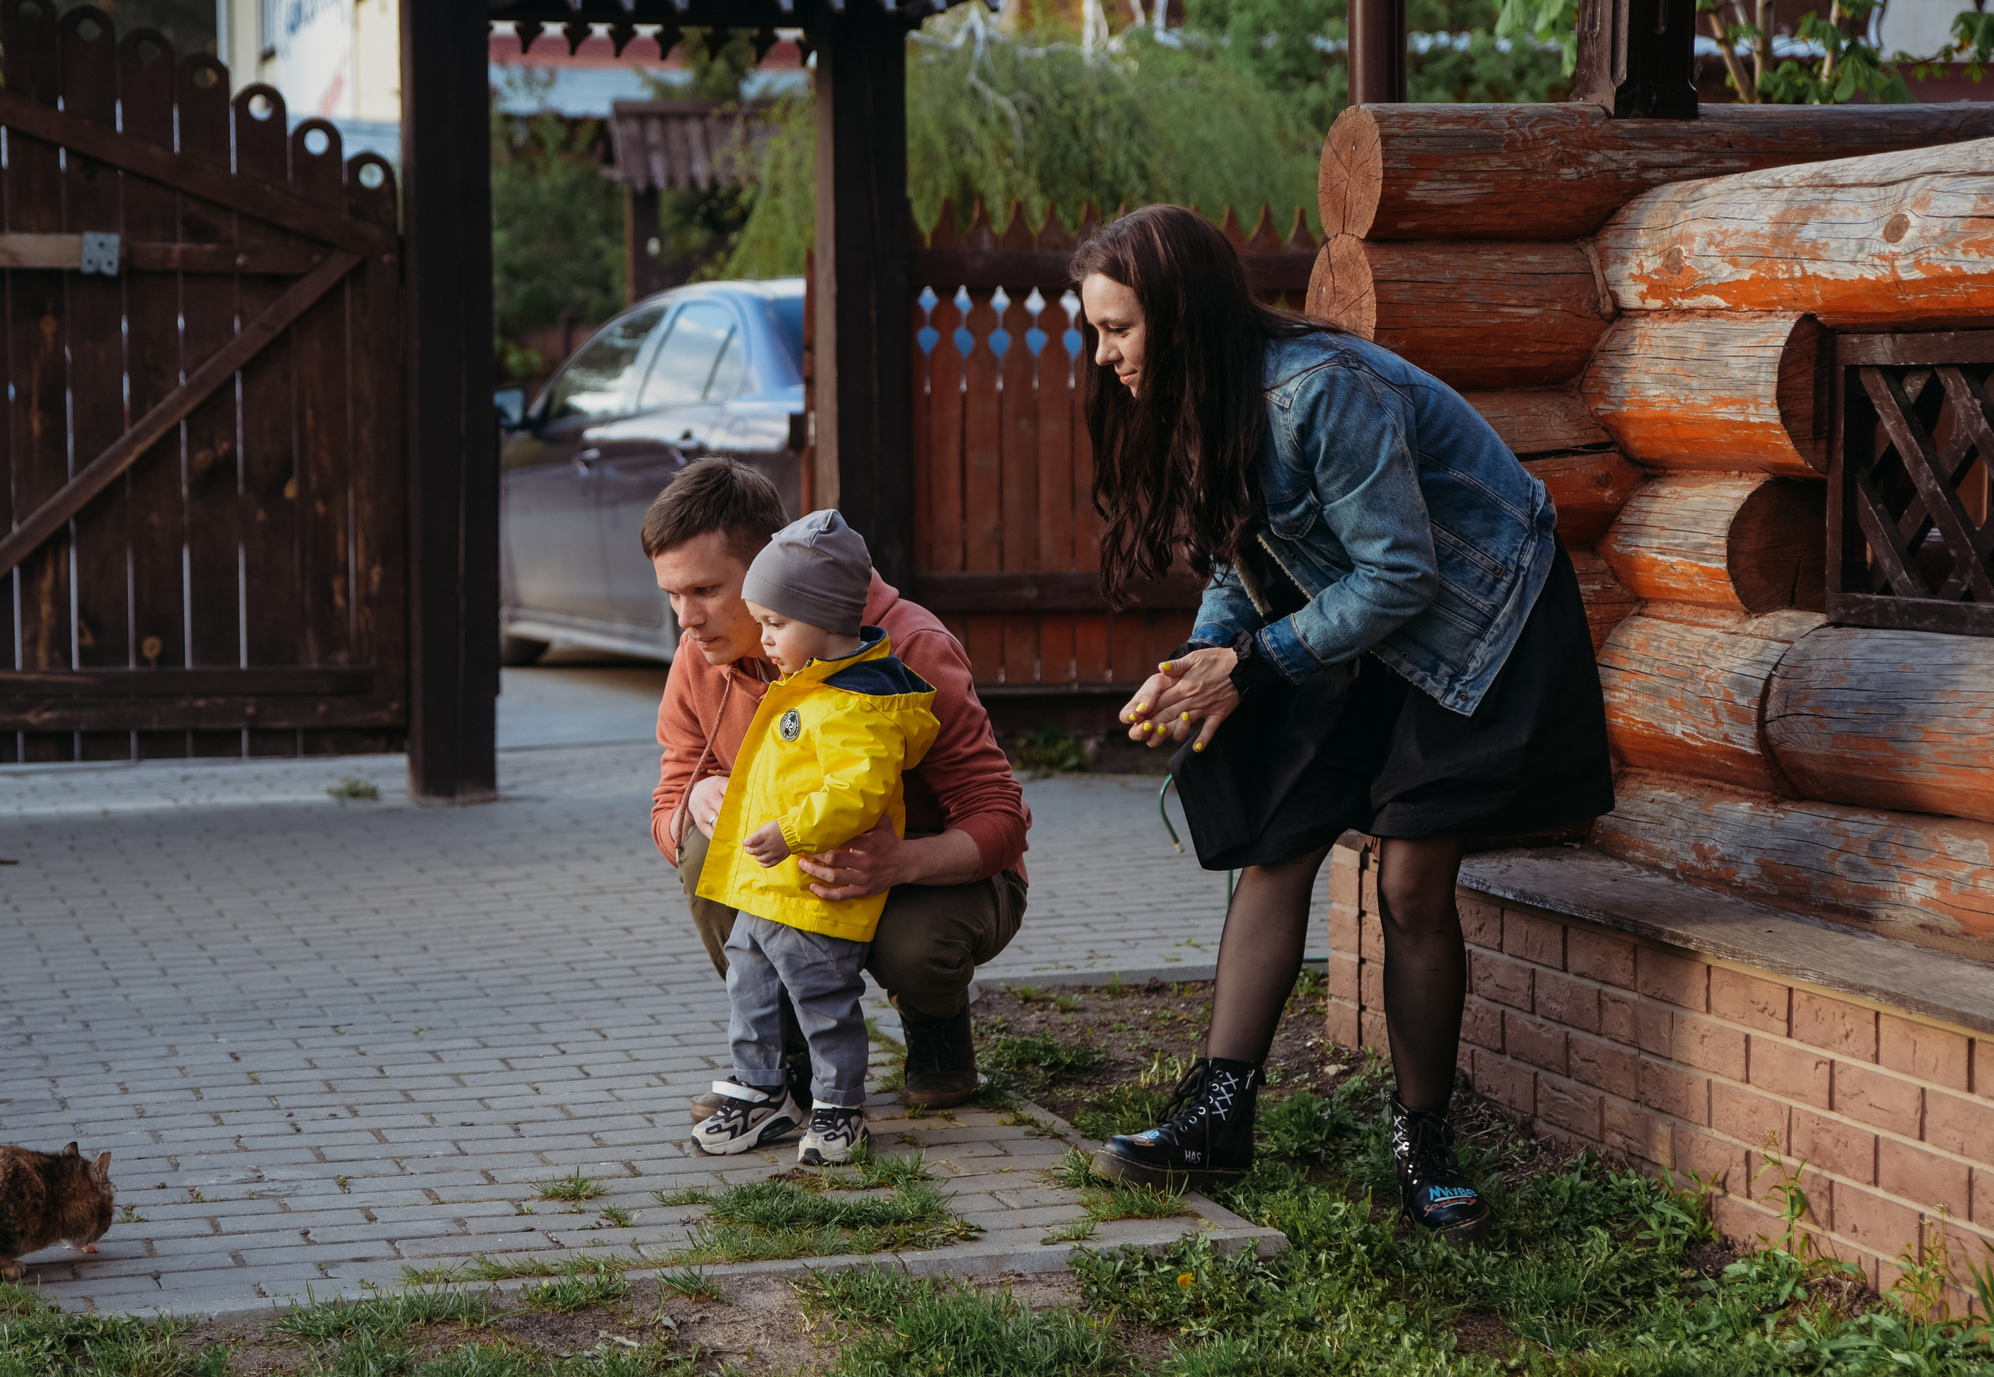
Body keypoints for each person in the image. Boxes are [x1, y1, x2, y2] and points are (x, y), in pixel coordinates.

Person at [1075, 206, 1613, 1246]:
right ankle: (1217, 1114)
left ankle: (1426, 1147)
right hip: (1352, 615)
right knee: (1279, 836)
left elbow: (1405, 574)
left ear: (1182, 317)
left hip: (1473, 620)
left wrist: (1253, 663)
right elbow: (1238, 558)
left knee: (1409, 879)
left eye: (1119, 329)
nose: (1104, 356)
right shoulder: (1198, 400)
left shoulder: (1320, 388)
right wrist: (1201, 662)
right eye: (1096, 330)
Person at [645, 457, 1031, 1114]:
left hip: (928, 876)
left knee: (914, 947)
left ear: (770, 569)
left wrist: (902, 861)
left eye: (705, 590)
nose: (687, 618)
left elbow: (1000, 816)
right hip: (794, 873)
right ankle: (782, 1054)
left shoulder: (909, 645)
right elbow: (666, 803)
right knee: (705, 851)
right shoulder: (700, 655)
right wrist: (692, 803)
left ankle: (937, 1024)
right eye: (672, 595)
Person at [690, 511, 942, 1164]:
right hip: (768, 890)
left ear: (825, 620)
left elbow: (855, 791)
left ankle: (838, 1107)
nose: (764, 638)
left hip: (815, 891)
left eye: (775, 624)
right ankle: (761, 1089)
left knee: (824, 1001)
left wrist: (792, 831)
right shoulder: (807, 685)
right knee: (749, 989)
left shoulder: (860, 702)